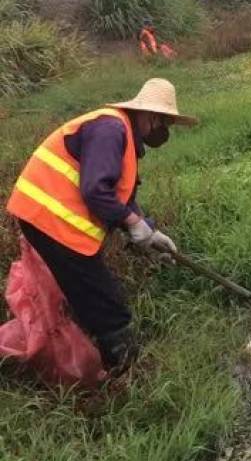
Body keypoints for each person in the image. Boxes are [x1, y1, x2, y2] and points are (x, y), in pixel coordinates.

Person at [6, 78, 196, 376]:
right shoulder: (111, 129)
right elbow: (95, 190)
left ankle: (99, 361)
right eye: (165, 124)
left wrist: (150, 232)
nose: (164, 132)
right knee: (108, 307)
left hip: (53, 222)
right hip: (51, 221)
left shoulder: (122, 135)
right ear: (150, 116)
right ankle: (124, 378)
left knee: (90, 297)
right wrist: (132, 224)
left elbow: (120, 195)